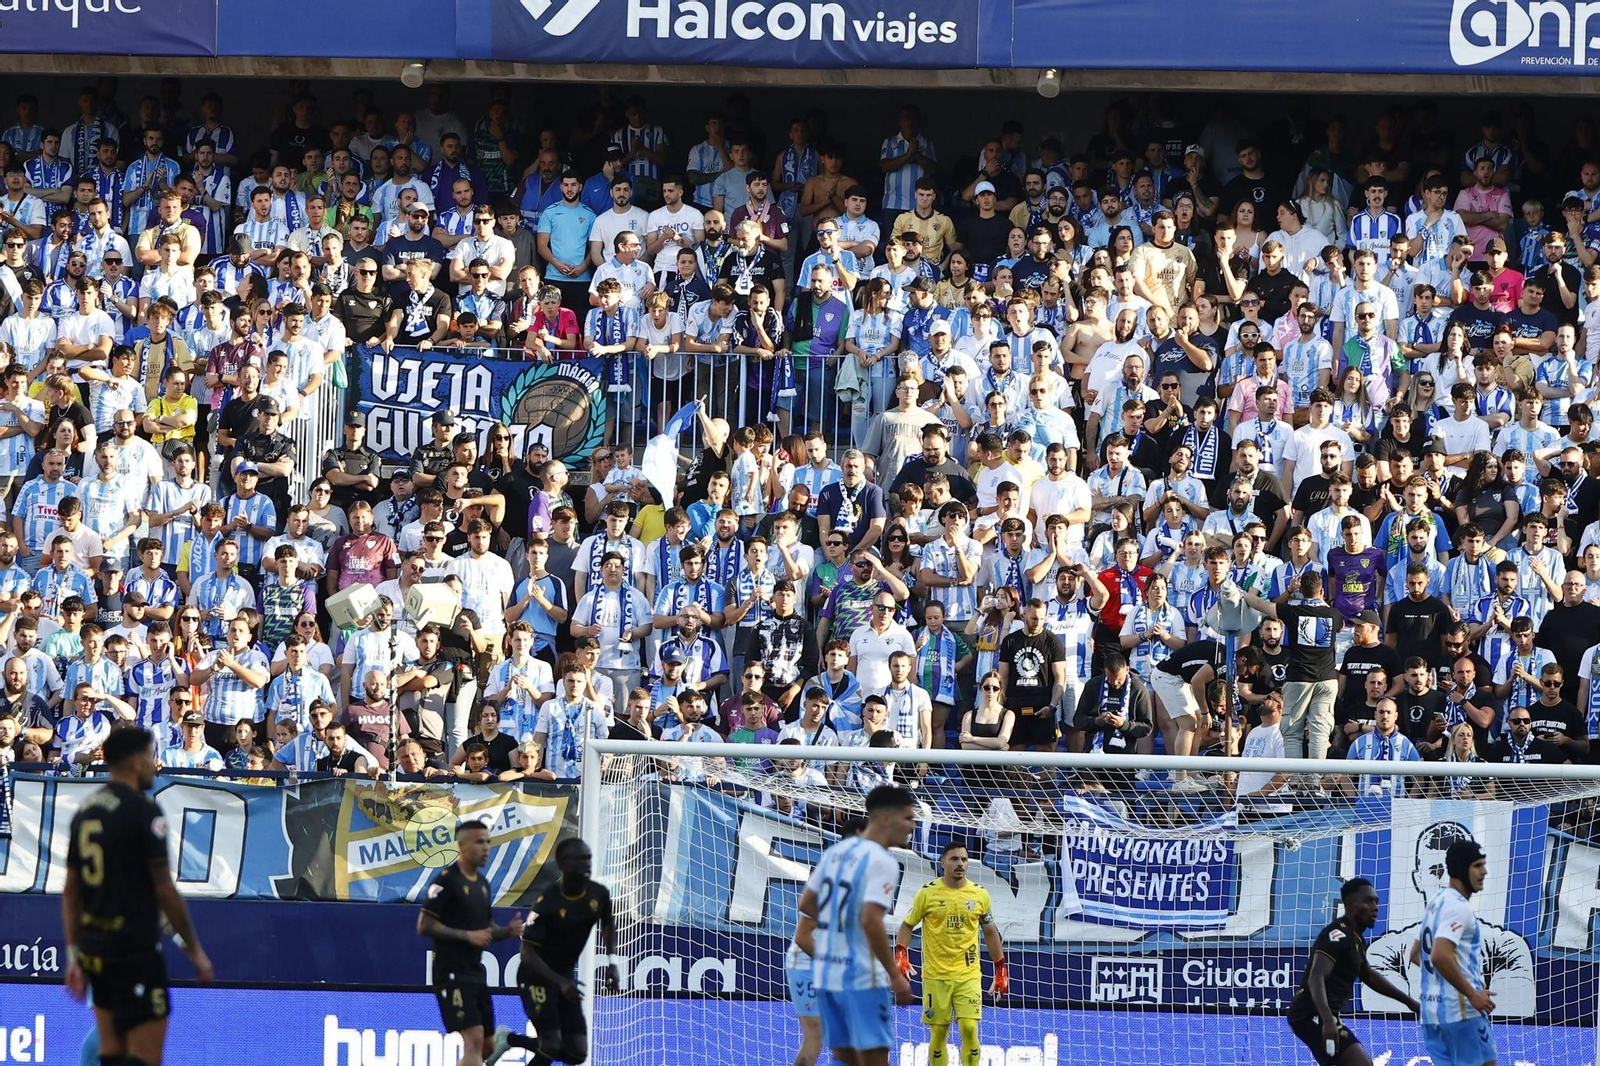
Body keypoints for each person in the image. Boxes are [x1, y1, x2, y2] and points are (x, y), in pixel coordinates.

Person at [62, 727, 214, 1066]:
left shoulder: (85, 811)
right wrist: (195, 950)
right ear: (134, 761)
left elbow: (71, 893)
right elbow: (163, 889)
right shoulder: (143, 812)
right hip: (135, 951)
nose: (153, 764)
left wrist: (74, 955)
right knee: (145, 1058)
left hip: (96, 952)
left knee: (111, 1053)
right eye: (149, 756)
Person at [794, 784, 917, 1066]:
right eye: (908, 818)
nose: (912, 826)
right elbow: (870, 921)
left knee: (844, 1058)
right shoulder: (882, 861)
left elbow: (806, 904)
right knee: (874, 1060)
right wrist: (895, 976)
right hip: (862, 977)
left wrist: (836, 929)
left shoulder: (838, 851)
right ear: (886, 818)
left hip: (828, 974)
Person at [492, 837, 620, 1065]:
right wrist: (560, 983)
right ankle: (508, 1038)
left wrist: (612, 962)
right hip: (536, 978)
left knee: (577, 1054)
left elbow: (608, 922)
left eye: (588, 858)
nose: (586, 864)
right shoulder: (546, 902)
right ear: (562, 864)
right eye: (579, 859)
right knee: (550, 1044)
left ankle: (508, 1038)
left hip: (565, 979)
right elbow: (527, 954)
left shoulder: (598, 894)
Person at [417, 819, 525, 1066]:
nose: (486, 847)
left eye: (488, 842)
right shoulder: (446, 880)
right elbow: (424, 925)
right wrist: (467, 936)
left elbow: (486, 929)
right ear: (462, 845)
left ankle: (499, 1041)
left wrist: (507, 931)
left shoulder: (483, 885)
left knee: (485, 1047)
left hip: (475, 972)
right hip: (451, 971)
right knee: (474, 1040)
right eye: (479, 842)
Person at [894, 841, 1009, 1066]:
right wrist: (901, 954)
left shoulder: (979, 895)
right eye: (954, 859)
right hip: (936, 975)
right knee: (939, 1032)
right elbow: (907, 925)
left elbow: (990, 932)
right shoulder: (927, 894)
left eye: (964, 859)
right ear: (943, 862)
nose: (960, 864)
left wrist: (1000, 968)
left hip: (968, 975)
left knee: (969, 1028)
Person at [1287, 877, 1419, 1066]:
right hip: (1310, 1013)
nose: (1375, 907)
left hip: (1323, 1014)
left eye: (1376, 901)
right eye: (1368, 901)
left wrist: (1411, 1003)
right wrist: (1327, 1019)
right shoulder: (1337, 934)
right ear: (1349, 904)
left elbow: (1369, 976)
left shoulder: (1356, 940)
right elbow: (1316, 977)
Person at [1412, 840, 1497, 1066]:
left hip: (1432, 1016)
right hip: (1462, 1015)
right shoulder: (1459, 907)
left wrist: (1454, 982)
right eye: (1477, 866)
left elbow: (1415, 954)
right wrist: (1471, 992)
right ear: (1461, 869)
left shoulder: (1436, 902)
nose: (1484, 872)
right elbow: (1439, 955)